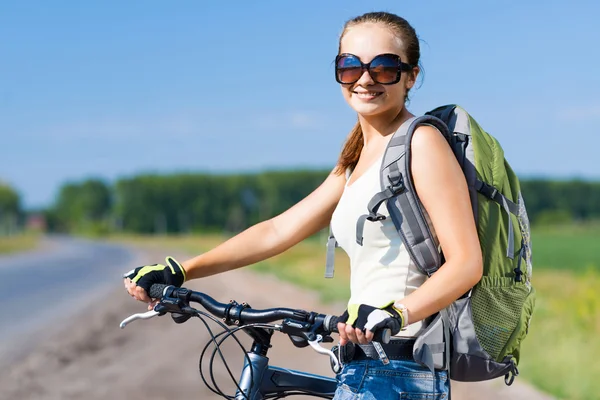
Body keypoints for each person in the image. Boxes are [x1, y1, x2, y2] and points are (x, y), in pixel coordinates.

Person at [124, 11, 483, 399]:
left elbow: (466, 263)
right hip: (362, 363)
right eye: (350, 66)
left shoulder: (422, 143)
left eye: (383, 67)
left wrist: (395, 314)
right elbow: (278, 230)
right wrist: (181, 270)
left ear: (410, 76)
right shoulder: (356, 159)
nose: (364, 79)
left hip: (399, 368)